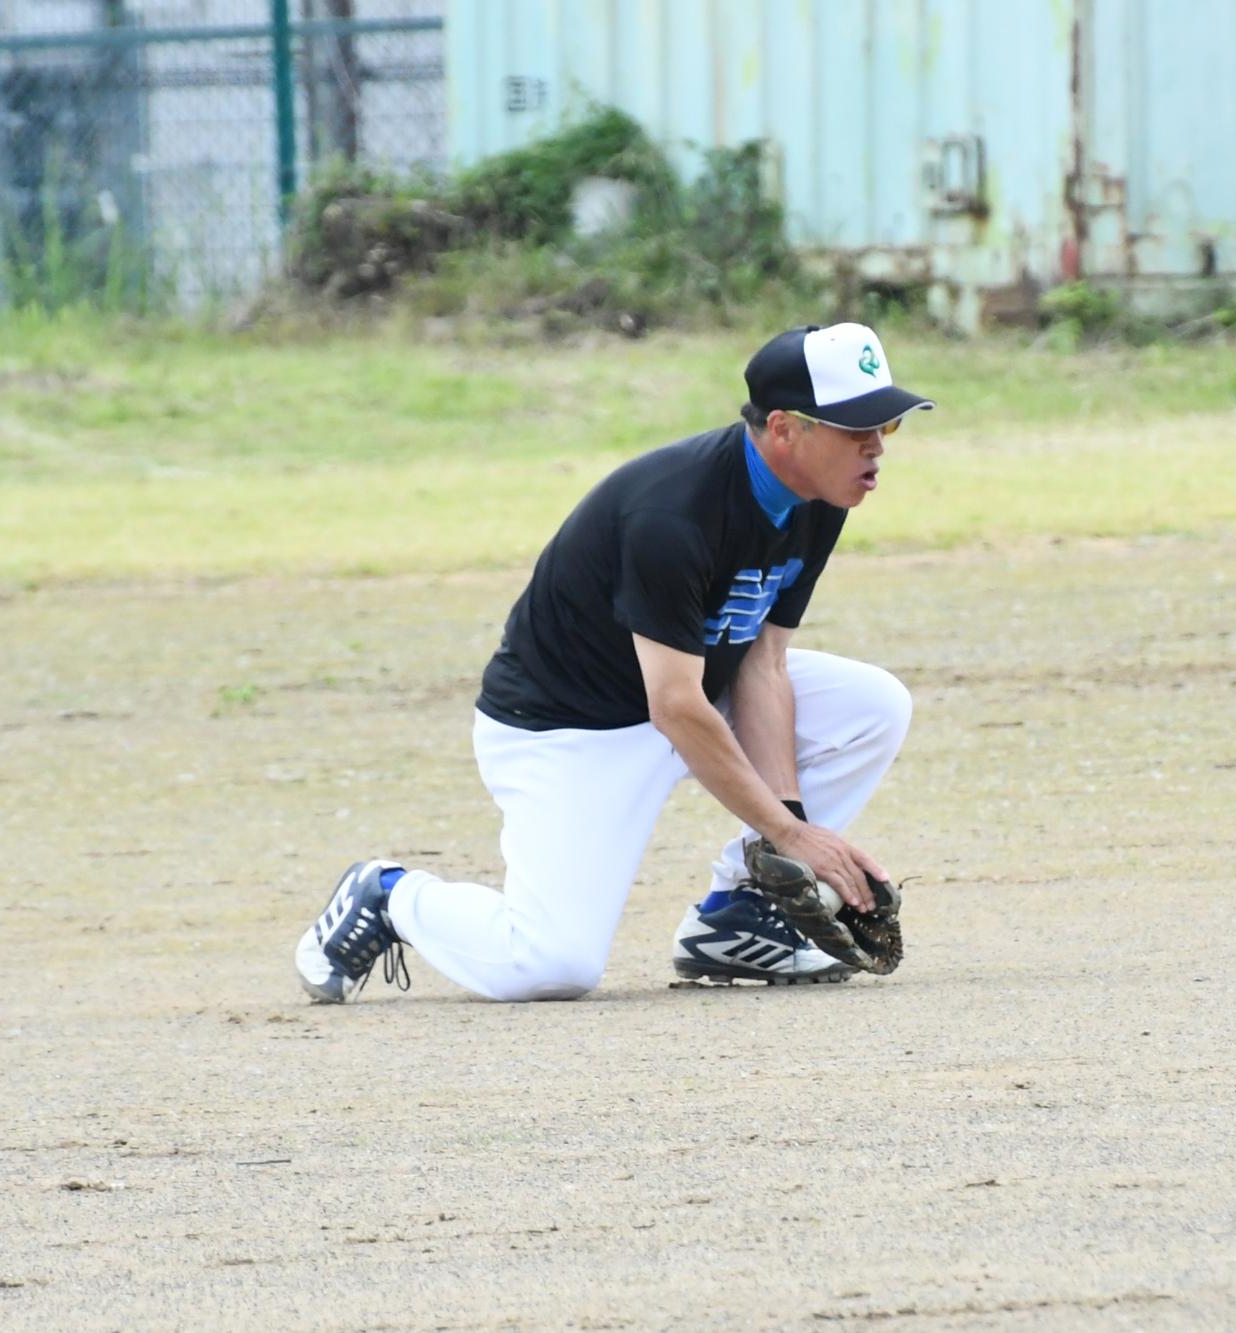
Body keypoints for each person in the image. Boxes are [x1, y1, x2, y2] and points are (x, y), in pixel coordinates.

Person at [294, 323, 932, 1002]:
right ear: (783, 429)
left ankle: (744, 914)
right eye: (856, 426)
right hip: (570, 730)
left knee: (873, 706)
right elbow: (675, 706)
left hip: (689, 691)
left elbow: (764, 663)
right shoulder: (673, 514)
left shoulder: (818, 495)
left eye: (887, 424)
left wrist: (788, 831)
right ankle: (389, 897)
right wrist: (790, 831)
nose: (876, 445)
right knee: (550, 963)